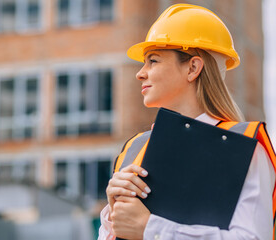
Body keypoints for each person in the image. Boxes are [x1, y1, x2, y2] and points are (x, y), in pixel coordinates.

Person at [98, 3, 276, 240]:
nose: (140, 73)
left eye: (153, 60)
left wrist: (151, 229)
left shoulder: (243, 149)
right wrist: (113, 216)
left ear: (193, 67)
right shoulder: (134, 149)